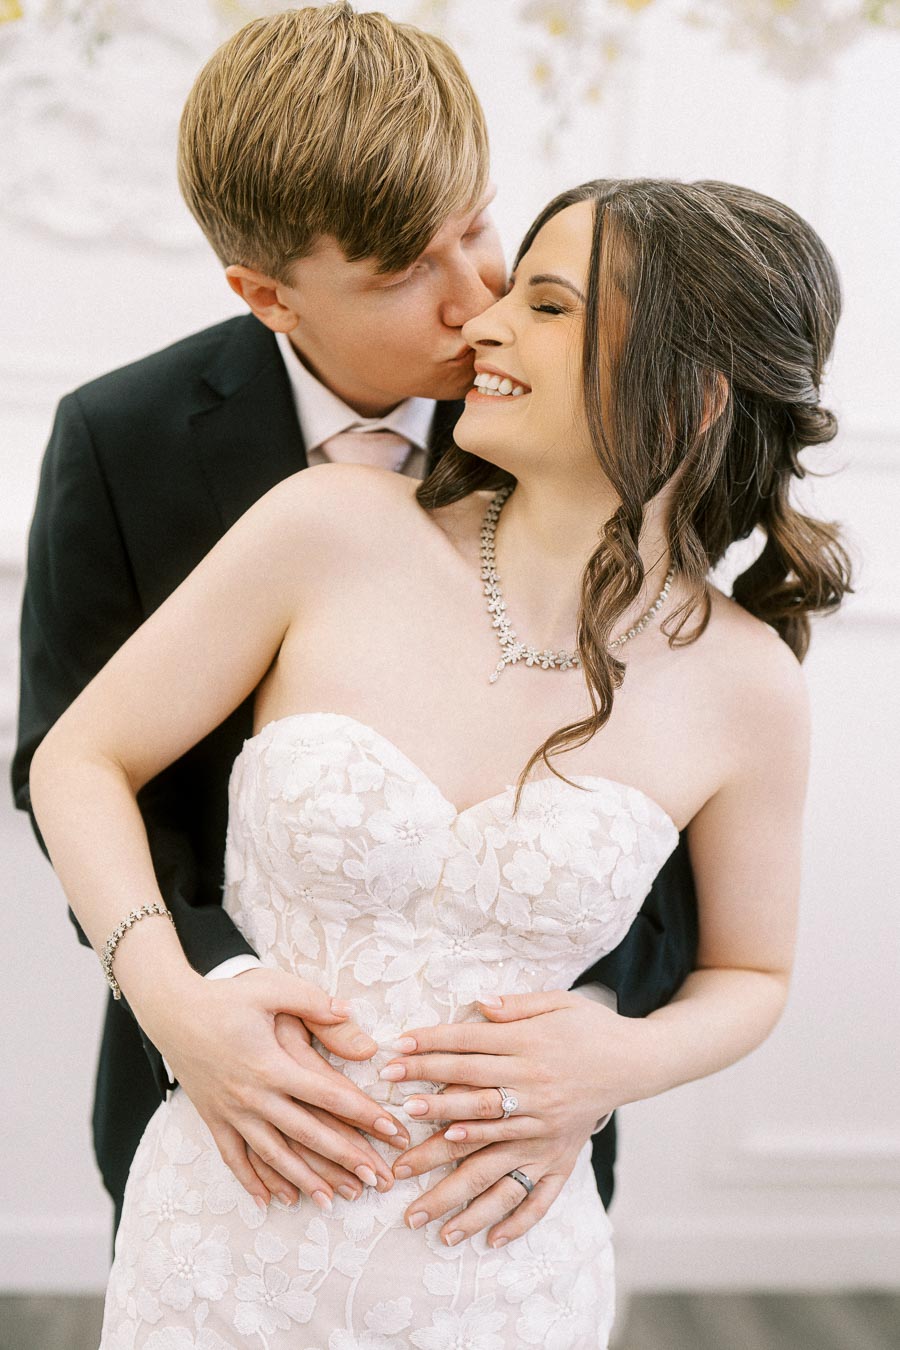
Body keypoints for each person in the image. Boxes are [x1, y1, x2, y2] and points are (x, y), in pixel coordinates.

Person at [30, 173, 850, 1347]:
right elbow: (78, 758)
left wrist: (618, 1056)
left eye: (549, 307)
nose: (485, 321)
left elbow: (750, 977)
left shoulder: (748, 681)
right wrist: (178, 1004)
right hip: (221, 1245)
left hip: (503, 1273)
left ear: (697, 392)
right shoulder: (328, 525)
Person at [11, 2, 697, 1243]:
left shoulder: (591, 413)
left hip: (508, 1146)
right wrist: (197, 1003)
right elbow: (70, 757)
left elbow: (681, 783)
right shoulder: (124, 440)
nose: (477, 296)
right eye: (401, 275)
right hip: (224, 1106)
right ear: (265, 294)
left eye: (479, 226)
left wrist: (593, 1034)